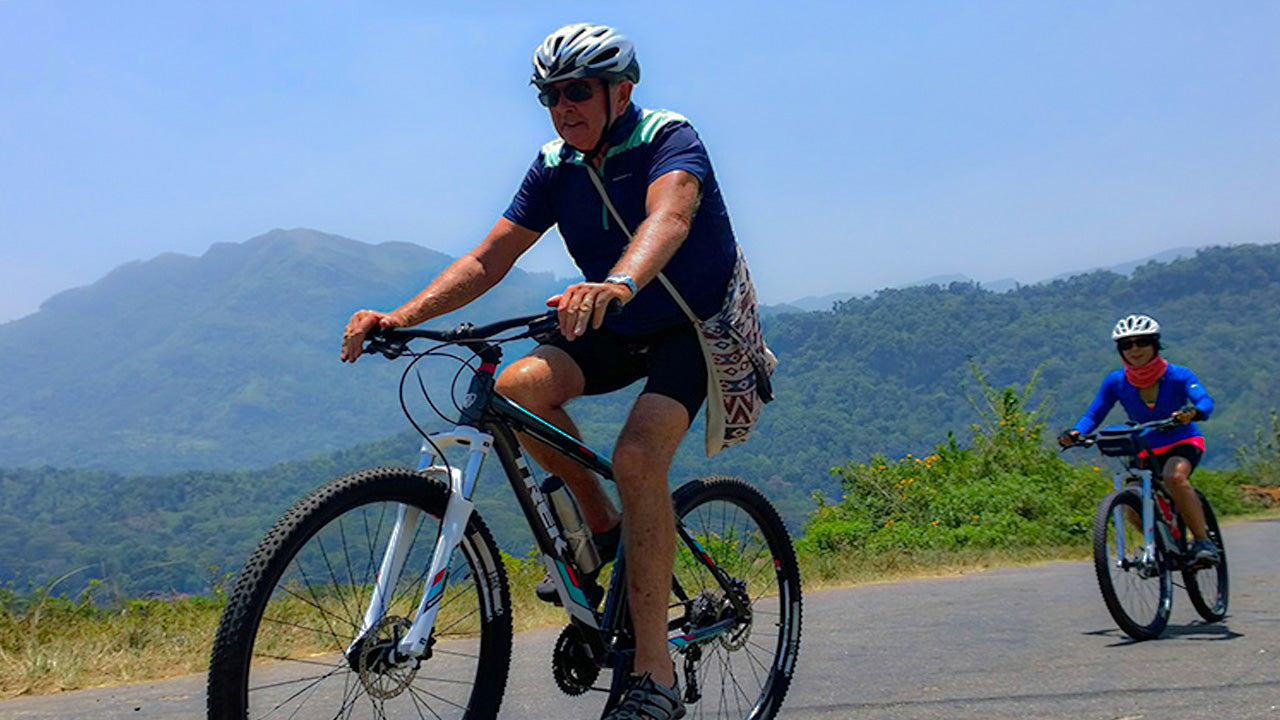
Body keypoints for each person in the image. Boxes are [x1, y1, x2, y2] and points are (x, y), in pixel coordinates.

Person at [341, 22, 743, 720]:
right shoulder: (555, 165)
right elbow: (487, 260)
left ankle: (656, 678)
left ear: (622, 91)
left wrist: (617, 281)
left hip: (691, 330)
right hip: (615, 322)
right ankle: (602, 532)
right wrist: (399, 317)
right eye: (550, 95)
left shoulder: (669, 138)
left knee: (638, 456)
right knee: (515, 386)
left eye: (578, 91)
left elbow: (669, 218)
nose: (564, 106)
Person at [1059, 314, 1219, 566]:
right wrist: (1075, 433)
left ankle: (1202, 541)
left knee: (1174, 477)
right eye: (1127, 345)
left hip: (1182, 441)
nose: (1135, 349)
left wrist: (1194, 413)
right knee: (1132, 500)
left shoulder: (1179, 375)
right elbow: (1094, 413)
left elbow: (1205, 402)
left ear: (1155, 344)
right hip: (1144, 447)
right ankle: (1162, 545)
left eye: (1142, 342)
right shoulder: (1116, 381)